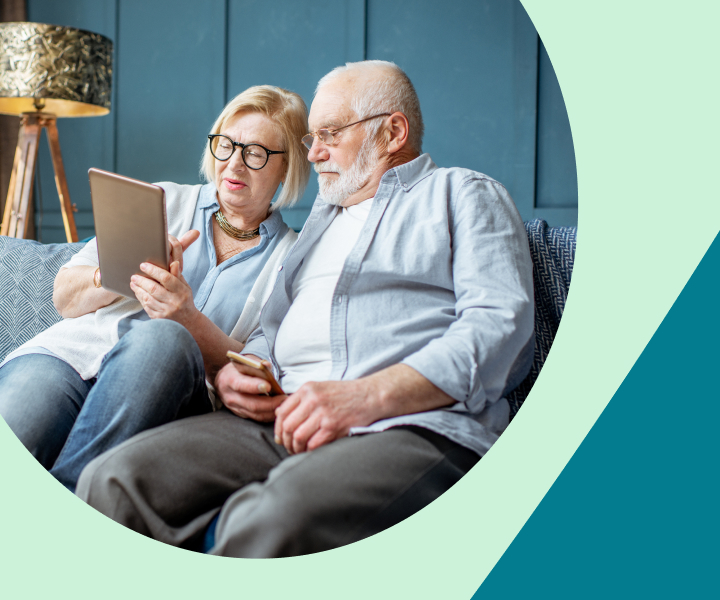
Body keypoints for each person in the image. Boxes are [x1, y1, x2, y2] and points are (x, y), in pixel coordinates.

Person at [77, 60, 535, 557]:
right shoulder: (316, 228)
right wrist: (240, 375)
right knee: (113, 480)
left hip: (407, 428)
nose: (313, 153)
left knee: (272, 519)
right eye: (312, 137)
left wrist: (363, 396)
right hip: (281, 419)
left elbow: (501, 332)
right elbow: (269, 332)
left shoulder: (463, 195)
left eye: (330, 134)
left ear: (392, 132)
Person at [0, 85, 310, 492]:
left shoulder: (292, 260)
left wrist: (186, 318)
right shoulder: (163, 200)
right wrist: (122, 269)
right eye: (226, 145)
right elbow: (64, 296)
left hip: (172, 386)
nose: (234, 164)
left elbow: (256, 368)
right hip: (77, 355)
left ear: (286, 168)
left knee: (164, 337)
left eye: (255, 153)